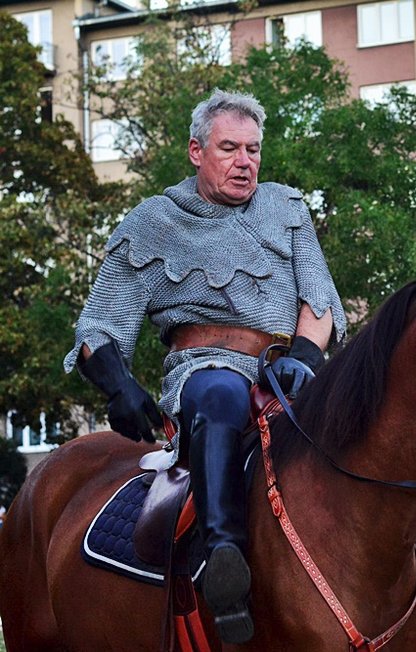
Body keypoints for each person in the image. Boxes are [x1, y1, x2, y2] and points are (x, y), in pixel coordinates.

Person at [64, 89, 346, 644]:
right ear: (196, 152)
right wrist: (119, 384)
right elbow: (97, 327)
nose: (245, 162)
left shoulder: (287, 209)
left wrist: (306, 358)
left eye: (254, 150)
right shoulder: (153, 221)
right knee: (220, 396)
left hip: (287, 371)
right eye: (229, 149)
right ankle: (224, 564)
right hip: (203, 367)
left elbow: (320, 302)